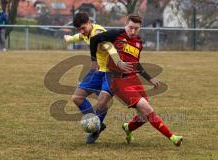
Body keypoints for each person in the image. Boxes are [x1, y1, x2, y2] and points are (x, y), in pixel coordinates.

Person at [90, 13, 183, 146]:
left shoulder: (138, 42)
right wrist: (94, 60)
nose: (132, 31)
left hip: (133, 79)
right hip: (118, 81)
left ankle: (128, 128)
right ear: (125, 24)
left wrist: (150, 79)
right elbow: (94, 40)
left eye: (136, 28)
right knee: (147, 109)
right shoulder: (116, 34)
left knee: (144, 115)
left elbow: (136, 64)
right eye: (130, 27)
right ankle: (173, 137)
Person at [64, 12, 157, 144]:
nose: (81, 31)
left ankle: (95, 129)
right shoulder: (86, 32)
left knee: (102, 101)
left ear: (90, 23)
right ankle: (97, 124)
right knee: (77, 98)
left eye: (83, 28)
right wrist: (69, 39)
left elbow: (110, 47)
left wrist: (118, 62)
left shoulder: (99, 32)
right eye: (79, 29)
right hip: (97, 71)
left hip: (111, 72)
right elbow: (80, 36)